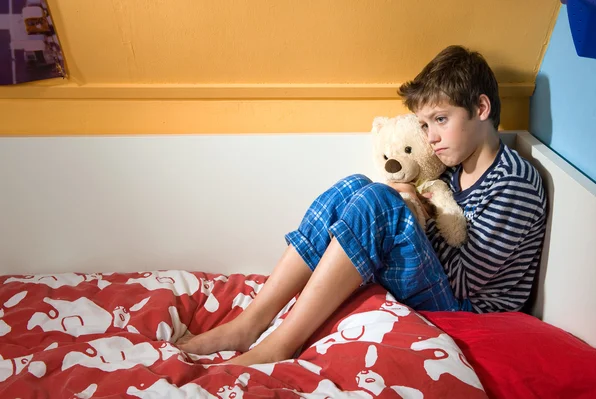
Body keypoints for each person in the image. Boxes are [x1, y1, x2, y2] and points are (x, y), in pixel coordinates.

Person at [176, 45, 547, 366]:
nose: (431, 138)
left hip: (466, 313)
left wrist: (409, 216)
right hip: (445, 287)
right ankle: (251, 322)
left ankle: (280, 344)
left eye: (441, 120)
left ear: (481, 108)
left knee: (380, 202)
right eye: (425, 125)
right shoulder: (453, 170)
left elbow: (465, 284)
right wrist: (411, 209)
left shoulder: (513, 182)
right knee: (356, 186)